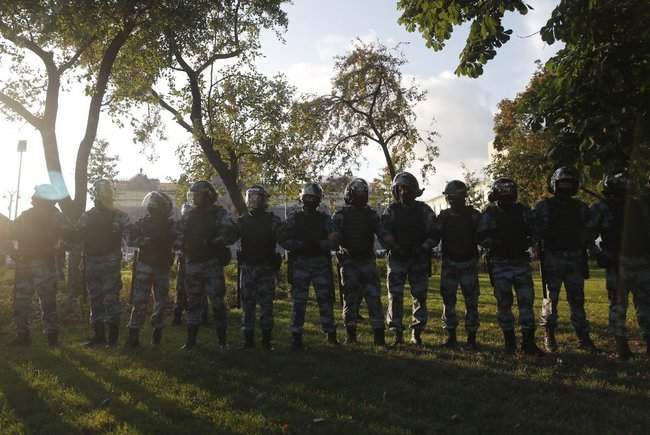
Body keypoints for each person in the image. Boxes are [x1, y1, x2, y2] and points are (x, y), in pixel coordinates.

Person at [535, 167, 598, 353]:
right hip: (552, 258)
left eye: (569, 183)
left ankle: (583, 337)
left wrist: (592, 248)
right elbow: (533, 229)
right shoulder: (544, 206)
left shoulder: (580, 207)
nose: (565, 186)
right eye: (562, 183)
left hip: (575, 259)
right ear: (555, 184)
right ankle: (549, 335)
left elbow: (589, 232)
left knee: (577, 300)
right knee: (550, 300)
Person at [478, 177, 543, 355]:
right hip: (500, 263)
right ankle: (510, 343)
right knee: (504, 303)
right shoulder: (490, 214)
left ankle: (528, 343)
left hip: (520, 262)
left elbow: (536, 231)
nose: (507, 194)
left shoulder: (523, 211)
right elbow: (481, 236)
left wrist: (526, 242)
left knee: (526, 303)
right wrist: (496, 243)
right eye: (503, 191)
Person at [589, 170, 650, 359]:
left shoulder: (640, 206)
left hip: (642, 261)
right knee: (618, 305)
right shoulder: (601, 208)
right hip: (616, 263)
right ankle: (622, 346)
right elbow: (586, 235)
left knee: (646, 305)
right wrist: (599, 254)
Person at [175, 180, 237, 350]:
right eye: (192, 195)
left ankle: (222, 342)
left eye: (197, 195)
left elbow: (231, 232)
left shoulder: (219, 213)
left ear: (207, 196)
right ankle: (191, 341)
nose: (194, 198)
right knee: (193, 303)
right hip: (193, 263)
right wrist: (182, 247)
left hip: (211, 263)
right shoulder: (189, 214)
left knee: (217, 303)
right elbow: (179, 233)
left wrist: (214, 242)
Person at [380, 172, 439, 346]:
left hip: (418, 258)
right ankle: (397, 333)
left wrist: (422, 248)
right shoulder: (391, 210)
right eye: (401, 188)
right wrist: (395, 247)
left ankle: (417, 332)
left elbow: (435, 233)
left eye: (407, 188)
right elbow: (383, 232)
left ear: (414, 190)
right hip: (397, 258)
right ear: (396, 190)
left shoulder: (424, 210)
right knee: (395, 296)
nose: (404, 191)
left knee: (419, 296)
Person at [278, 182, 338, 350]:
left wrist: (320, 244)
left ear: (318, 200)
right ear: (302, 199)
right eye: (307, 197)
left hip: (321, 265)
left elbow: (334, 242)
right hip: (300, 265)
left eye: (314, 198)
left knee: (325, 300)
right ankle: (296, 336)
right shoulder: (294, 218)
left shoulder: (325, 219)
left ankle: (330, 333)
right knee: (299, 302)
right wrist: (300, 245)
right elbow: (282, 238)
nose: (310, 200)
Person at [9, 184, 70, 346]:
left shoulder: (27, 215)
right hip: (40, 263)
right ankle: (51, 338)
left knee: (23, 302)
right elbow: (69, 235)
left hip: (30, 263)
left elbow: (10, 232)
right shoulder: (55, 216)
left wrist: (14, 253)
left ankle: (24, 336)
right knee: (47, 302)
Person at [332, 178, 385, 346]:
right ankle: (353, 336)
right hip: (351, 263)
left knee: (371, 299)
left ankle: (377, 337)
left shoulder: (370, 214)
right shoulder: (341, 215)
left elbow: (383, 233)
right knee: (353, 300)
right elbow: (334, 239)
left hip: (364, 261)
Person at [79, 179, 129, 346]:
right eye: (103, 192)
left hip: (110, 262)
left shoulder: (120, 216)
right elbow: (77, 236)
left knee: (110, 299)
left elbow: (132, 235)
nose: (105, 195)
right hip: (92, 261)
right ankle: (99, 336)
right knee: (95, 299)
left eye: (107, 192)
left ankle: (112, 339)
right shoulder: (87, 216)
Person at [235, 184, 282, 350]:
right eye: (251, 198)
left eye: (257, 198)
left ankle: (266, 342)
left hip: (266, 268)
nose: (254, 201)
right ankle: (248, 341)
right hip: (248, 267)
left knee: (266, 305)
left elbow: (283, 237)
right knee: (247, 305)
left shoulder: (273, 220)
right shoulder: (242, 220)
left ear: (264, 200)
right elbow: (229, 236)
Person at [126, 191, 176, 347]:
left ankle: (156, 335)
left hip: (161, 267)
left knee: (160, 302)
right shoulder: (143, 223)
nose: (151, 207)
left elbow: (180, 241)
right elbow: (130, 239)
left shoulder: (170, 226)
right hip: (145, 266)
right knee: (140, 301)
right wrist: (145, 241)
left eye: (154, 205)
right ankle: (133, 335)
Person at [437, 180, 481, 350]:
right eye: (450, 197)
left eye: (454, 196)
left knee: (471, 303)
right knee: (449, 303)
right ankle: (451, 337)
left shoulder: (474, 215)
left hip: (468, 263)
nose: (452, 200)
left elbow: (483, 234)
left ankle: (471, 338)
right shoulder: (444, 216)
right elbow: (434, 234)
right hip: (450, 264)